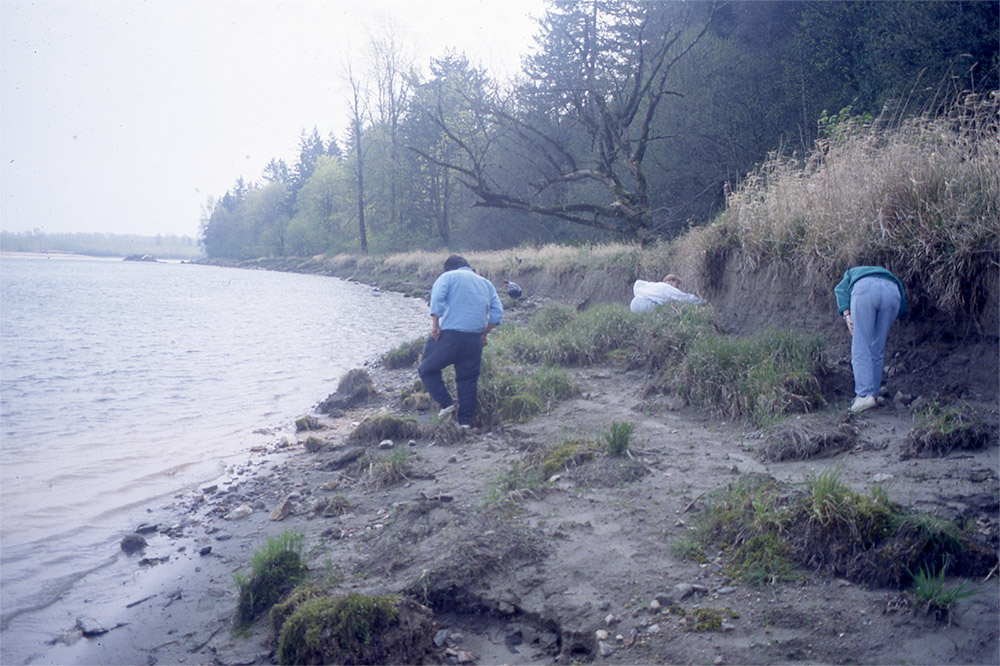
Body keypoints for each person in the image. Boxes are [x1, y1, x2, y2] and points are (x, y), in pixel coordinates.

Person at [419, 255, 503, 428]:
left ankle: (446, 403)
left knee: (427, 369)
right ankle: (464, 423)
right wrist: (484, 333)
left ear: (448, 268)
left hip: (449, 336)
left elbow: (437, 300)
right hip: (473, 339)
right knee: (468, 380)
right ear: (468, 266)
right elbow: (497, 312)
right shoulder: (485, 283)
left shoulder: (447, 277)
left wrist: (435, 325)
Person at [833, 266, 907, 413]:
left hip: (864, 289)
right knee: (877, 349)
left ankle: (863, 395)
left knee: (861, 345)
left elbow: (840, 290)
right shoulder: (888, 275)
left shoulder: (850, 272)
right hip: (893, 292)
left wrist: (847, 315)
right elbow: (902, 307)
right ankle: (872, 395)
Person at [630, 273, 706, 312]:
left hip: (634, 303)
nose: (676, 287)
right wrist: (701, 301)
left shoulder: (655, 286)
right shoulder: (667, 288)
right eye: (676, 284)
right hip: (645, 305)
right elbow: (684, 297)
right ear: (671, 282)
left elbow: (638, 284)